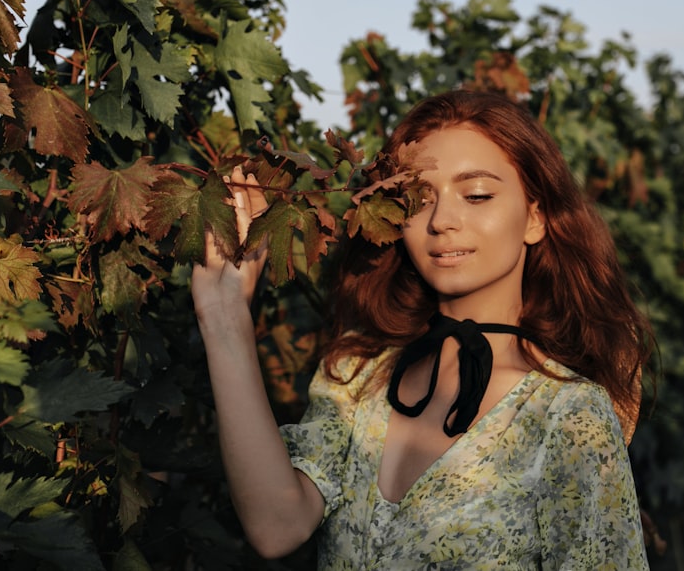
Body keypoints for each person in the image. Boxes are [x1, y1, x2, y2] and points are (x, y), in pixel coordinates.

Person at [191, 90, 655, 569]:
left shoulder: (569, 415)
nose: (442, 221)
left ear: (535, 218)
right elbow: (276, 527)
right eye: (420, 198)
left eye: (477, 195)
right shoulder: (357, 374)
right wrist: (224, 316)